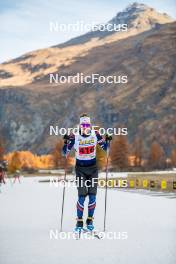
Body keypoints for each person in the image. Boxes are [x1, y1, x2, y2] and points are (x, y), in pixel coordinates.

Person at [62, 113, 112, 232]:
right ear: (80, 125)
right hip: (80, 170)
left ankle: (89, 220)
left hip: (93, 169)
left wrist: (108, 141)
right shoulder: (75, 136)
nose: (85, 127)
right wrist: (66, 143)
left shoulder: (95, 134)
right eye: (83, 125)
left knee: (93, 196)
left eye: (87, 125)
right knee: (82, 196)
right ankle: (79, 221)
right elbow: (64, 153)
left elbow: (105, 149)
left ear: (90, 125)